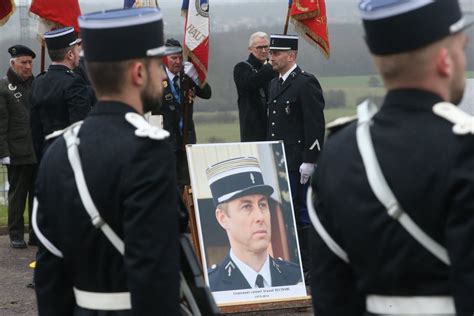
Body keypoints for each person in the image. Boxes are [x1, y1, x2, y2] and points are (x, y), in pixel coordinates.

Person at [308, 1, 473, 315]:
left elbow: (331, 296)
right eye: (462, 48)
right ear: (445, 61)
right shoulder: (466, 149)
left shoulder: (338, 154)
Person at [33, 7, 181, 315]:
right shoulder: (148, 150)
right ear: (139, 73)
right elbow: (153, 272)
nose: (162, 75)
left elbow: (49, 275)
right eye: (158, 65)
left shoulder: (59, 148)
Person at [267, 34, 325, 281]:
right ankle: (294, 264)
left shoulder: (305, 83)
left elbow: (314, 124)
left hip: (297, 162)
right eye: (271, 53)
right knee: (284, 214)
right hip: (279, 160)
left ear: (291, 55)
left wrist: (310, 158)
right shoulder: (274, 84)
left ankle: (311, 268)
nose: (272, 57)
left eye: (277, 53)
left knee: (302, 213)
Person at [206, 156, 302, 292]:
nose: (260, 217)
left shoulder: (296, 277)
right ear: (223, 218)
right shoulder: (211, 286)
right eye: (246, 206)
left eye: (262, 204)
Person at [153, 38, 212, 190]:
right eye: (174, 58)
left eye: (180, 57)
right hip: (165, 142)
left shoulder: (187, 76)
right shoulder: (154, 78)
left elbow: (207, 94)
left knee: (187, 186)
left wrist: (198, 79)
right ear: (164, 59)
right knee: (168, 186)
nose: (178, 62)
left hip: (186, 140)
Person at [30, 26, 94, 161]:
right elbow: (79, 127)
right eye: (77, 48)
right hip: (70, 157)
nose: (79, 51)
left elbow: (35, 129)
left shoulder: (38, 81)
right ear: (70, 55)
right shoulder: (74, 82)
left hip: (46, 156)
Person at [0, 45, 37, 249]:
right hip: (17, 150)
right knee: (18, 195)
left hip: (36, 149)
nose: (28, 66)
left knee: (36, 195)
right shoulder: (4, 87)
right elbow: (1, 124)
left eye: (30, 62)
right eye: (23, 62)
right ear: (13, 64)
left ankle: (34, 233)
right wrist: (3, 152)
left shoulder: (36, 84)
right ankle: (15, 233)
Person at [233, 31, 276, 142]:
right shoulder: (241, 68)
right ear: (250, 49)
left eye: (266, 47)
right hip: (253, 130)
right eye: (259, 47)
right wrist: (268, 67)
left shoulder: (275, 69)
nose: (263, 51)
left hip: (273, 127)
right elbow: (251, 83)